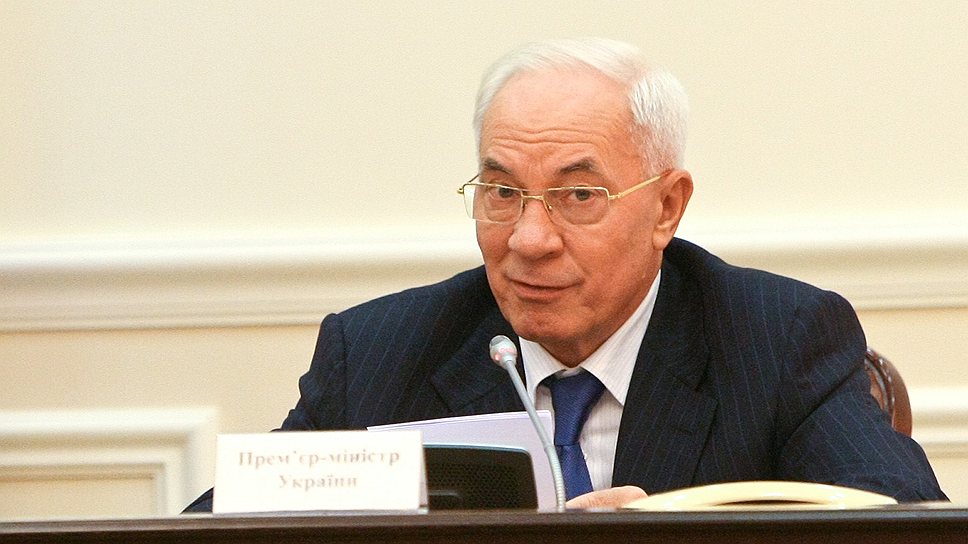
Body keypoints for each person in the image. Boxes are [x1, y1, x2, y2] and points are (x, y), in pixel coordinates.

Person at [185, 37, 945, 512]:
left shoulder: (776, 341)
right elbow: (216, 530)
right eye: (501, 192)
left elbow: (906, 527)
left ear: (666, 207)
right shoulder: (379, 354)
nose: (529, 239)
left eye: (579, 195)